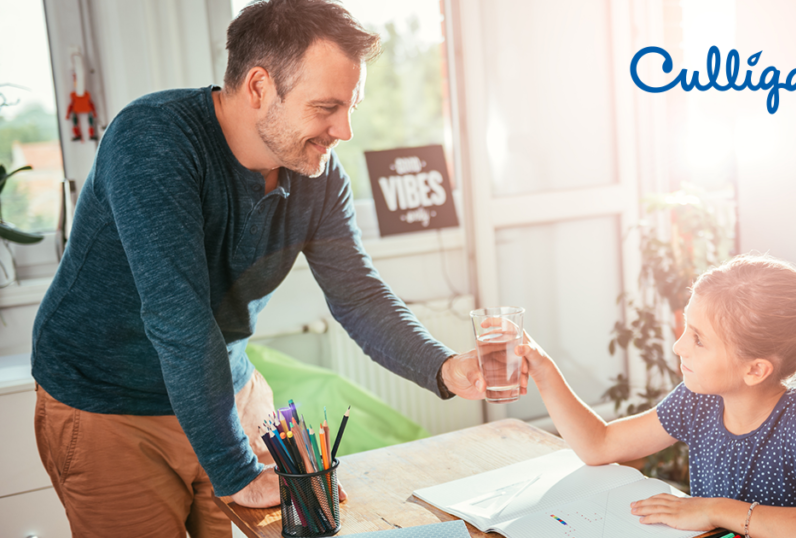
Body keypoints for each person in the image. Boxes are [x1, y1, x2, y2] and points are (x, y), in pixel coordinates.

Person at [30, 1, 509, 536]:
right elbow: (179, 319)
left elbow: (358, 296)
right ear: (259, 87)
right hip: (111, 406)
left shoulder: (319, 174)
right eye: (327, 106)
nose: (345, 130)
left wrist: (443, 368)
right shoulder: (153, 140)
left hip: (223, 392)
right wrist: (236, 471)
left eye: (352, 106)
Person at [515, 254, 796, 538]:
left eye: (698, 339)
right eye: (686, 327)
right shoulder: (698, 401)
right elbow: (600, 444)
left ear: (755, 370)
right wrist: (543, 369)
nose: (678, 345)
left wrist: (717, 510)